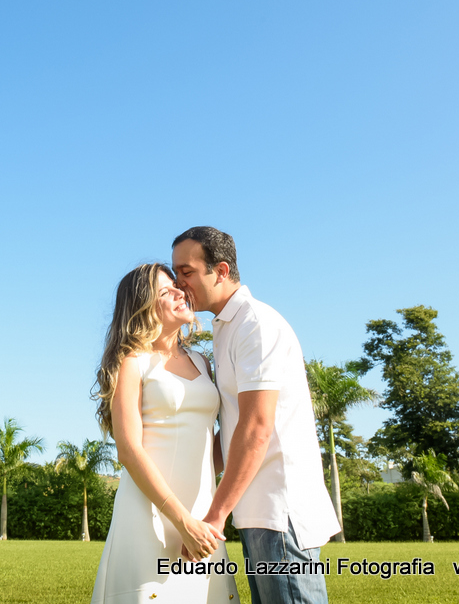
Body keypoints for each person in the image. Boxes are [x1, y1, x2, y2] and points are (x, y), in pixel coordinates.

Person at [172, 227, 340, 604]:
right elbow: (232, 427)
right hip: (255, 511)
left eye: (187, 272)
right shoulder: (225, 328)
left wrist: (215, 516)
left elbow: (256, 429)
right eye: (175, 272)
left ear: (222, 270)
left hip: (279, 510)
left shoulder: (255, 325)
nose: (178, 283)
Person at [90, 263, 238, 604]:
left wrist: (202, 516)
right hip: (149, 515)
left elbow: (211, 441)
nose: (179, 291)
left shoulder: (202, 361)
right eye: (164, 291)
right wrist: (181, 520)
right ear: (143, 306)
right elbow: (128, 450)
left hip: (201, 512)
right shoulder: (134, 362)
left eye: (177, 284)